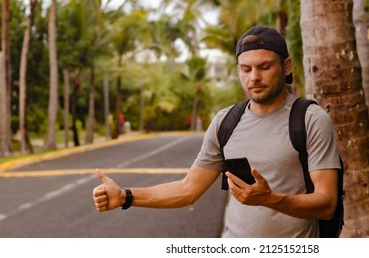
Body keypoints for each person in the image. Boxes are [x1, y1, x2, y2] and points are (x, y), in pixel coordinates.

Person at [92, 25, 341, 238]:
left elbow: (327, 203)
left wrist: (270, 199)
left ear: (286, 66)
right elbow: (188, 189)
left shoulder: (310, 120)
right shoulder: (225, 122)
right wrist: (125, 196)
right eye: (246, 69)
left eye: (264, 67)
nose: (254, 77)